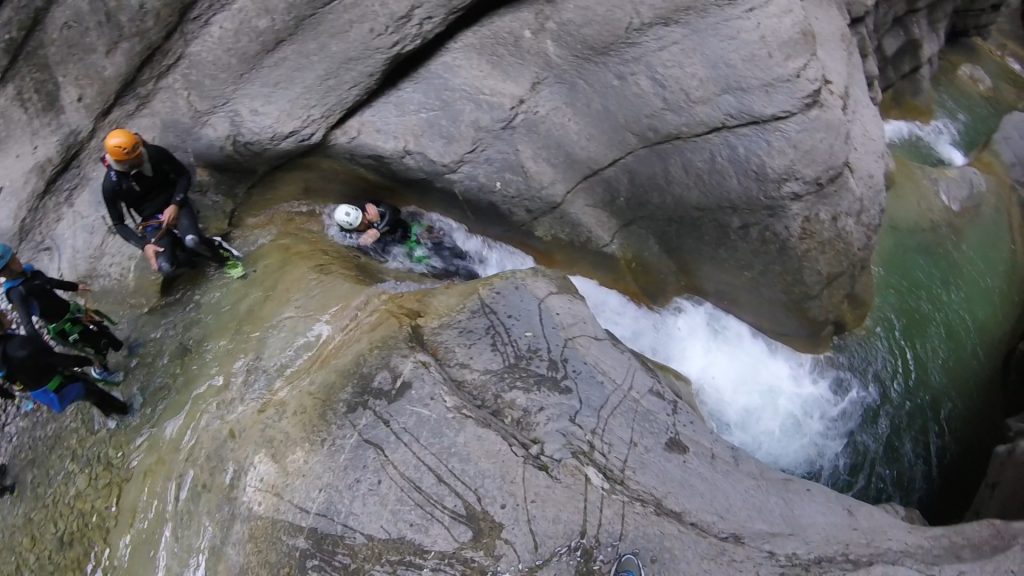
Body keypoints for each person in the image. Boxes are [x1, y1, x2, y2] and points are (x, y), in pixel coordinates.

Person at [100, 129, 243, 279]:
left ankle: (225, 257)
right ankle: (189, 256)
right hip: (152, 220)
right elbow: (119, 224)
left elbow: (183, 176)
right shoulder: (112, 185)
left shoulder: (154, 153)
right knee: (165, 267)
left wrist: (175, 204)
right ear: (120, 162)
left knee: (192, 241)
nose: (140, 157)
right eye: (134, 159)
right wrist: (144, 245)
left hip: (176, 205)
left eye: (139, 153)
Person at [0, 243, 122, 382]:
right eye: (13, 261)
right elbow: (26, 322)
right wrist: (37, 344)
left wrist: (75, 287)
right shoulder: (16, 292)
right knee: (98, 343)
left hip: (73, 312)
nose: (18, 260)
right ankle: (100, 370)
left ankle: (124, 349)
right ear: (5, 272)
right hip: (63, 327)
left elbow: (50, 282)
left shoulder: (31, 272)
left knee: (104, 329)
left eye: (15, 257)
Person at [0, 311, 129, 418]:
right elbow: (56, 359)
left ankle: (111, 416)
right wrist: (88, 361)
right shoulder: (19, 344)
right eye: (3, 316)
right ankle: (126, 413)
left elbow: (11, 380)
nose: (7, 315)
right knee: (96, 393)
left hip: (43, 394)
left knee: (91, 395)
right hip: (59, 384)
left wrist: (16, 398)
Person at [332, 202, 479, 281]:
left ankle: (476, 261)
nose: (365, 220)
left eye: (363, 217)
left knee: (451, 247)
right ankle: (473, 280)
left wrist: (377, 227)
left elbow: (393, 211)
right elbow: (386, 248)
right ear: (354, 229)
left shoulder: (367, 210)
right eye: (361, 224)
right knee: (448, 267)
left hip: (412, 229)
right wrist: (378, 230)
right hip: (405, 249)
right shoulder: (356, 239)